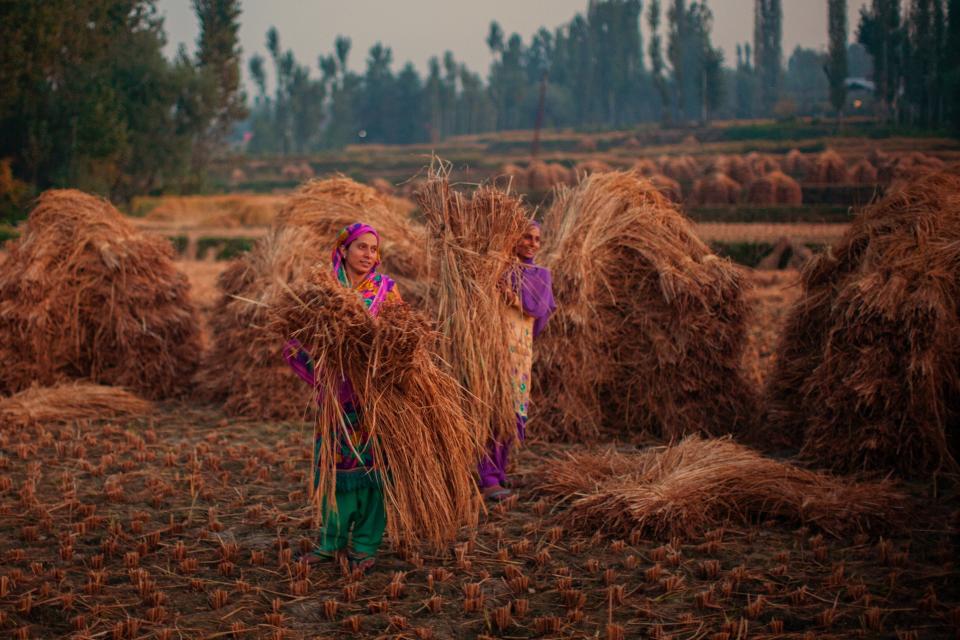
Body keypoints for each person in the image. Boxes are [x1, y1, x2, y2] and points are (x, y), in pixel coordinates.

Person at [282, 222, 402, 573]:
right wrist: (322, 368)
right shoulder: (324, 292)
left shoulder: (386, 291)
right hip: (335, 399)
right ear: (344, 249)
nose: (368, 255)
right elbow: (295, 340)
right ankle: (330, 542)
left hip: (375, 399)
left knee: (375, 469)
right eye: (362, 247)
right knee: (333, 469)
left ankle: (365, 545)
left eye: (373, 249)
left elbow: (403, 339)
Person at [479, 221, 556, 501]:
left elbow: (540, 310)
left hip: (519, 352)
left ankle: (498, 472)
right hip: (492, 350)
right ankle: (486, 477)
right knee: (491, 410)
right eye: (526, 236)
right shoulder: (495, 270)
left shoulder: (540, 275)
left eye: (537, 238)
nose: (533, 243)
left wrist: (513, 298)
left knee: (511, 412)